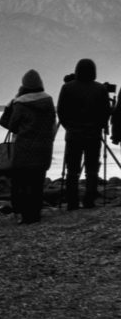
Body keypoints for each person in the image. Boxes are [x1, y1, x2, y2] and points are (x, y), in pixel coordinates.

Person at [0, 70, 56, 224]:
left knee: (23, 182)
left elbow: (12, 124)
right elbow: (52, 122)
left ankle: (25, 216)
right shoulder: (49, 100)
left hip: (24, 148)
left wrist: (11, 104)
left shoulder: (20, 102)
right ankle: (35, 214)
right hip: (44, 147)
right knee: (38, 182)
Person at [56, 58, 112, 209]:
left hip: (74, 134)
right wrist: (99, 126)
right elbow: (106, 112)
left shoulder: (67, 88)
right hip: (93, 134)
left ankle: (72, 202)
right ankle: (89, 200)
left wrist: (68, 126)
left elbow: (61, 111)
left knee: (72, 170)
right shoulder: (100, 89)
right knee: (92, 169)